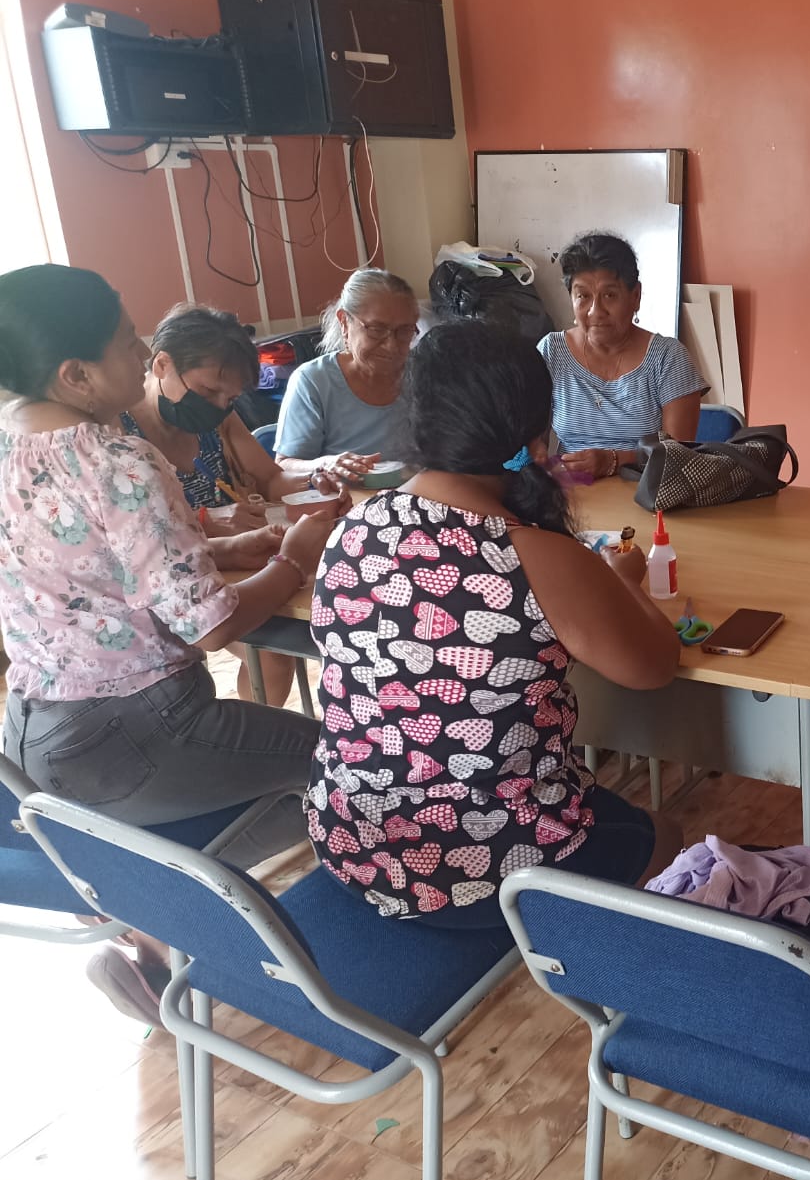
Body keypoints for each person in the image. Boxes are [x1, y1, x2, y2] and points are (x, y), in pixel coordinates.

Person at [0, 264, 335, 1018]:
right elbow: (212, 623)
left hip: (32, 735)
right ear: (77, 374)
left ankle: (147, 920)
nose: (140, 353)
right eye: (128, 344)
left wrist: (219, 547)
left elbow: (84, 564)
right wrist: (292, 559)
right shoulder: (115, 458)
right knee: (348, 765)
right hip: (138, 732)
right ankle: (185, 933)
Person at [307, 318, 683, 925]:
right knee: (668, 837)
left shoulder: (353, 526)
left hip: (350, 841)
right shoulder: (536, 554)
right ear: (537, 432)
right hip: (490, 868)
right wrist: (623, 582)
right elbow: (655, 666)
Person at [121, 303, 350, 705]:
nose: (219, 405)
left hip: (237, 560)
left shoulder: (217, 418)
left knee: (295, 634)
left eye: (230, 397)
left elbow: (271, 477)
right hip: (166, 581)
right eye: (209, 391)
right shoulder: (120, 434)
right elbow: (132, 535)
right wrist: (205, 518)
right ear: (161, 365)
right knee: (271, 655)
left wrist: (315, 480)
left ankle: (259, 719)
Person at [539, 232, 706, 479]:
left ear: (635, 296)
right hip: (571, 491)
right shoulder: (551, 352)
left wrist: (614, 461)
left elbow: (679, 454)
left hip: (646, 490)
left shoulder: (668, 358)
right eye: (583, 296)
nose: (595, 311)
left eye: (609, 295)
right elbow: (533, 443)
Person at [275, 268, 418, 485]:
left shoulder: (422, 374)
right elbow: (284, 465)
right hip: (346, 500)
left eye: (404, 331)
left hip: (415, 496)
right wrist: (324, 464)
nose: (392, 346)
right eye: (376, 329)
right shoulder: (314, 381)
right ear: (344, 322)